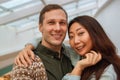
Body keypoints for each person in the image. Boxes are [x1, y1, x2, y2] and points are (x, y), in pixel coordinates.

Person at [15, 15, 120, 80]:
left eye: (81, 33)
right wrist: (28, 47)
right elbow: (46, 39)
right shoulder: (76, 54)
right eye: (71, 36)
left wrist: (79, 67)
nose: (75, 41)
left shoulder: (107, 71)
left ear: (95, 34)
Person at [11, 4, 74, 80]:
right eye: (51, 22)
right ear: (40, 27)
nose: (58, 28)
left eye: (62, 23)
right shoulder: (25, 62)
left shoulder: (72, 54)